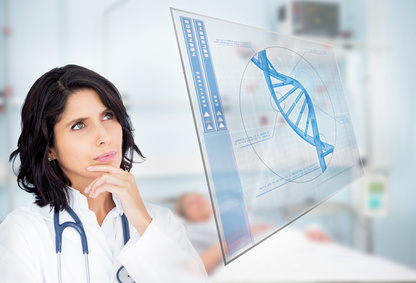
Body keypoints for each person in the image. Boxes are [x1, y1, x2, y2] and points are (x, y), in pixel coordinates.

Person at [0, 65, 209, 282]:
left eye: (107, 116)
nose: (103, 137)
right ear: (50, 147)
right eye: (79, 125)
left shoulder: (160, 222)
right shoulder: (22, 232)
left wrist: (143, 224)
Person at [175, 192, 332, 274]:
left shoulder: (231, 211)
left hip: (278, 247)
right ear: (185, 214)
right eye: (190, 203)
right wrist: (242, 235)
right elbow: (197, 268)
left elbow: (267, 228)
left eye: (198, 197)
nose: (198, 201)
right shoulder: (190, 232)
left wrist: (301, 238)